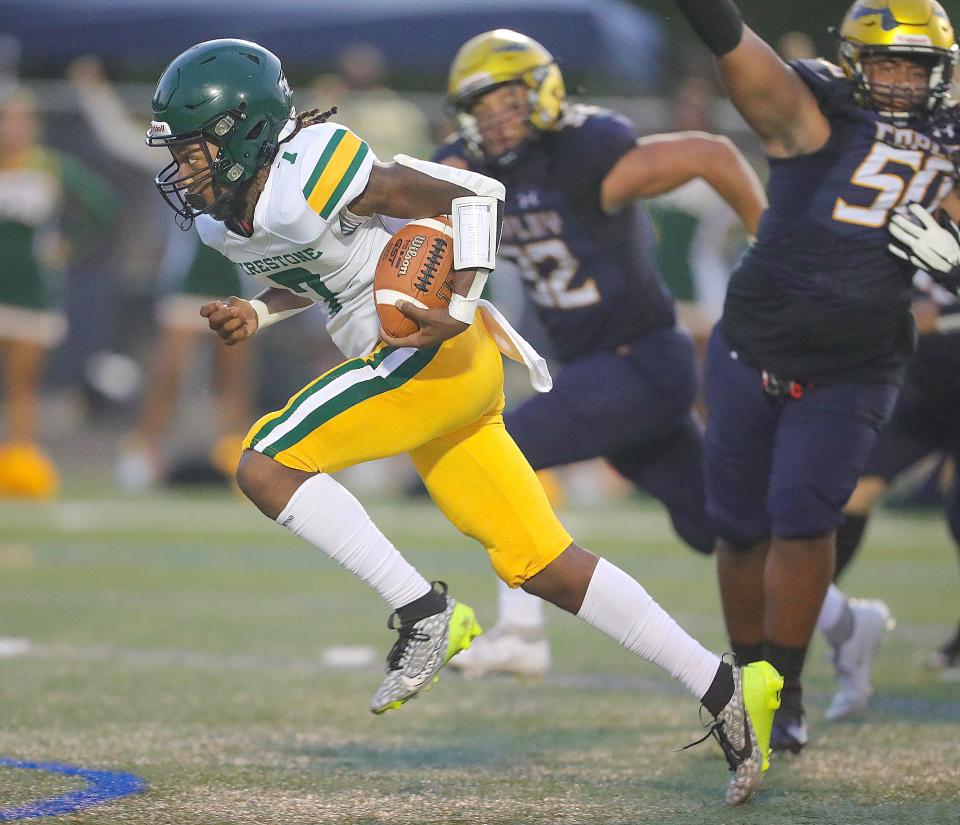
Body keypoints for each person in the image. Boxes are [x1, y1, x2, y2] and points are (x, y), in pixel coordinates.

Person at [146, 38, 783, 805]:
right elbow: (323, 270)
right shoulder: (225, 222)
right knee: (539, 561)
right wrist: (258, 307)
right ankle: (726, 685)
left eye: (194, 151)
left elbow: (473, 194)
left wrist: (457, 299)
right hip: (423, 370)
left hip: (430, 357)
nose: (184, 171)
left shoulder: (314, 165)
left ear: (243, 135)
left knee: (263, 462)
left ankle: (425, 612)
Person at [670, 0, 959, 753]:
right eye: (885, 62)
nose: (897, 80)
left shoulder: (952, 138)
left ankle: (786, 691)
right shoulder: (816, 106)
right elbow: (731, 42)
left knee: (804, 520)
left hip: (857, 364)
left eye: (913, 65)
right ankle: (747, 678)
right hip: (752, 345)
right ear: (853, 63)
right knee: (738, 529)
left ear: (939, 73)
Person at [431, 30, 766, 679]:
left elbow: (712, 153)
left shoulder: (587, 151)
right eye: (481, 107)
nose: (495, 119)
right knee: (720, 528)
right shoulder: (469, 169)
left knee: (506, 446)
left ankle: (523, 631)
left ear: (542, 92)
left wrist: (776, 246)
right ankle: (845, 620)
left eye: (506, 100)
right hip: (601, 371)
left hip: (641, 359)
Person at [67, 56, 255, 490]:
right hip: (188, 282)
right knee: (168, 372)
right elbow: (120, 139)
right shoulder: (188, 158)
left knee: (234, 378)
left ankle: (235, 453)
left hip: (239, 283)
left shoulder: (253, 162)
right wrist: (92, 91)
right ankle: (143, 451)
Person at [0, 86, 118, 497]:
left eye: (17, 118)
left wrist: (67, 245)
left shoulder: (49, 166)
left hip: (31, 291)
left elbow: (102, 204)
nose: (10, 127)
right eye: (4, 117)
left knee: (22, 384)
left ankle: (18, 461)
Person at [870, 195, 960, 679]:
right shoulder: (912, 208)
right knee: (853, 489)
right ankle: (826, 616)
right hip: (922, 384)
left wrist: (940, 318)